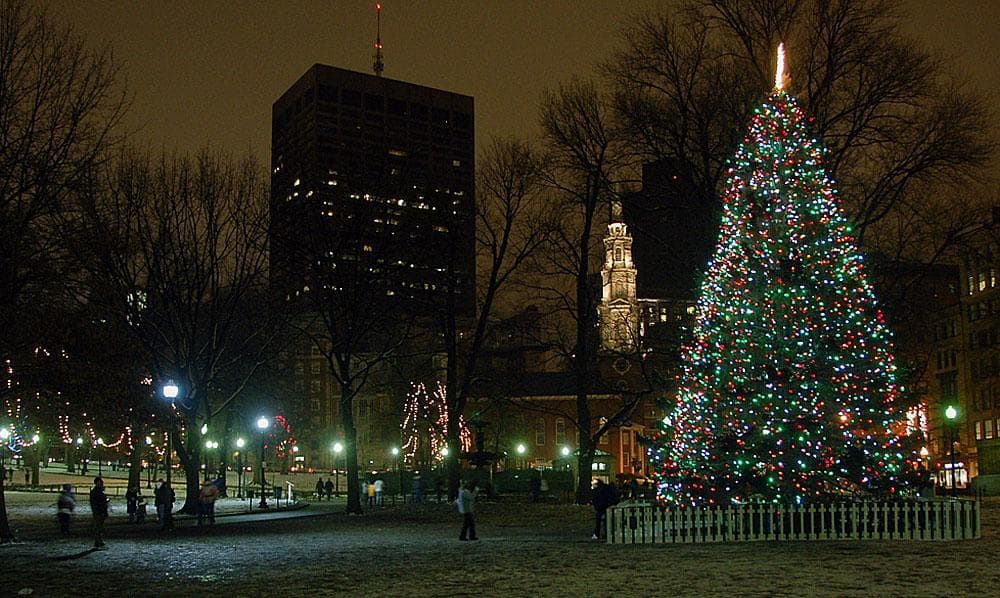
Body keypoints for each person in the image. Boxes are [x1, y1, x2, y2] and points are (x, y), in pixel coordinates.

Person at [89, 477, 110, 549]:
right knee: (98, 527)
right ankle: (98, 541)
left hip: (100, 511)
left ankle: (99, 541)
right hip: (99, 511)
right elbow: (99, 501)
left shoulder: (97, 491)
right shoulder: (96, 492)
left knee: (100, 527)